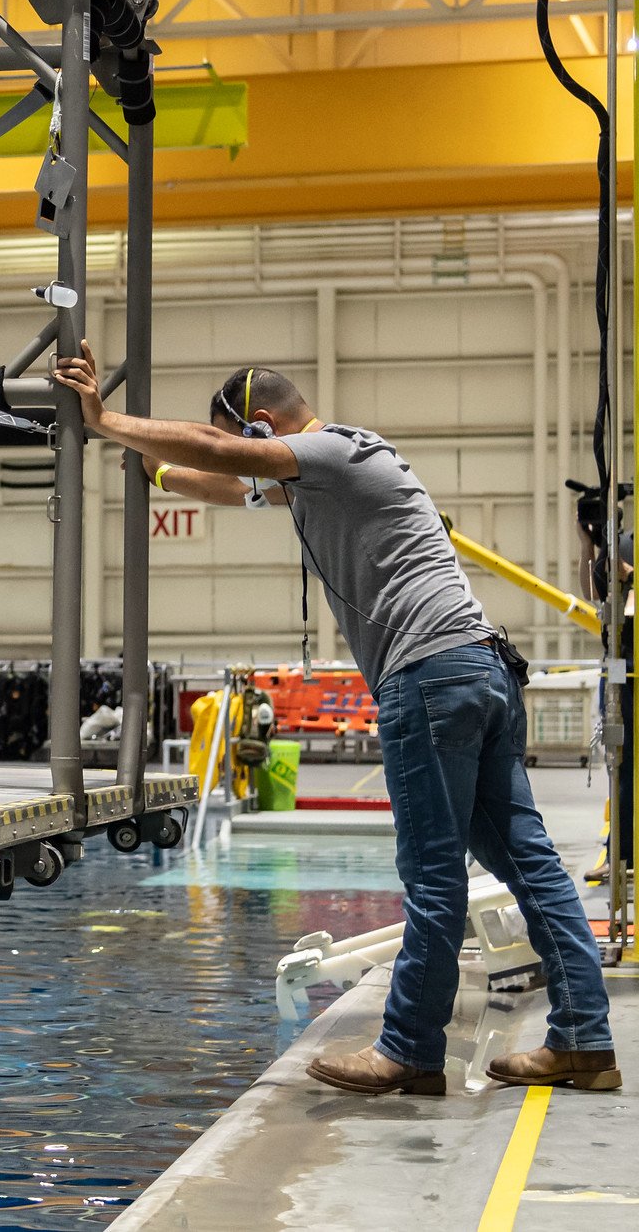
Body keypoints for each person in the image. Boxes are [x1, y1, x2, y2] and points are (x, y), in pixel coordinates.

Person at [54, 345, 619, 1096]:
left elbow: (224, 452)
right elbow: (227, 482)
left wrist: (107, 417)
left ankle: (410, 1050)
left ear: (263, 426)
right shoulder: (333, 473)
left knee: (432, 875)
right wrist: (151, 469)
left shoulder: (332, 450)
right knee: (528, 862)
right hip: (479, 667)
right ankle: (583, 1037)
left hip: (428, 677)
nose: (252, 467)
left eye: (252, 447)